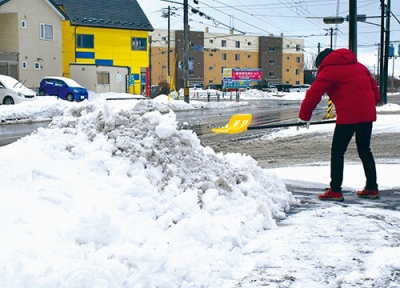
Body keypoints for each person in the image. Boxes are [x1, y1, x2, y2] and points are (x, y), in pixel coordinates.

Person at [298, 48, 380, 201]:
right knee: (364, 150)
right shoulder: (360, 67)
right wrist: (365, 108)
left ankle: (335, 190)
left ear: (322, 62)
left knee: (337, 152)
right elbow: (376, 94)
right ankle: (372, 187)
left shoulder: (330, 70)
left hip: (348, 117)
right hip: (367, 116)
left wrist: (304, 116)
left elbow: (313, 94)